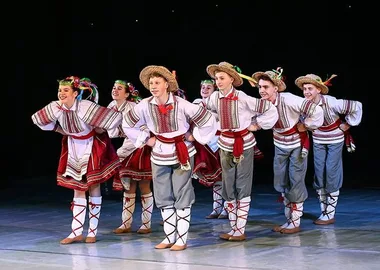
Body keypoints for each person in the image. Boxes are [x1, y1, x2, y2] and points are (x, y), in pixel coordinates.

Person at [123, 65, 217, 251]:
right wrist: (146, 139)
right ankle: (168, 237)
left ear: (167, 84)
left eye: (157, 82)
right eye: (151, 83)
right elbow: (127, 122)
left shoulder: (181, 104)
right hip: (159, 152)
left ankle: (181, 239)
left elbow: (207, 119)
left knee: (181, 192)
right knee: (163, 194)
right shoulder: (145, 105)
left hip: (182, 151)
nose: (153, 86)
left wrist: (194, 136)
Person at [31, 76, 122, 244]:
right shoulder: (56, 107)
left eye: (66, 90)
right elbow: (38, 120)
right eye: (60, 90)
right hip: (73, 146)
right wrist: (60, 129)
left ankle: (92, 232)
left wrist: (100, 128)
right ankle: (76, 232)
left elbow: (113, 119)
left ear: (75, 93)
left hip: (91, 146)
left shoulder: (85, 107)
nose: (61, 93)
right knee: (78, 188)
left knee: (93, 186)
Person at [205, 62, 279, 241]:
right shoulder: (214, 97)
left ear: (232, 79)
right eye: (217, 78)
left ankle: (240, 229)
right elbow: (210, 113)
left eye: (222, 78)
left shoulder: (243, 97)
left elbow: (268, 108)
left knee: (242, 184)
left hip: (243, 144)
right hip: (225, 143)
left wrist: (258, 125)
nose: (219, 81)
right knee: (228, 184)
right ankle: (234, 228)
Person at [249, 67, 324, 234]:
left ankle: (295, 223)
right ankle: (288, 219)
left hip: (297, 145)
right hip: (280, 145)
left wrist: (306, 125)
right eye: (260, 87)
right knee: (281, 181)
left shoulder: (289, 100)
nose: (262, 90)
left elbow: (317, 111)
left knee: (295, 180)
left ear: (275, 87)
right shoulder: (263, 104)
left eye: (265, 87)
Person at [295, 73, 362, 225]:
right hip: (318, 139)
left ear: (319, 89)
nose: (306, 92)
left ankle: (329, 213)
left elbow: (357, 106)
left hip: (335, 139)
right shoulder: (305, 103)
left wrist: (348, 124)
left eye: (310, 88)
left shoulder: (331, 102)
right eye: (304, 89)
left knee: (331, 171)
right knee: (319, 172)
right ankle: (324, 211)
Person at [106, 80, 154, 234]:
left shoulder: (133, 108)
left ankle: (146, 224)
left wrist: (120, 154)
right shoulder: (111, 107)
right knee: (128, 185)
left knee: (143, 185)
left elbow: (142, 129)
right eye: (114, 88)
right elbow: (112, 132)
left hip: (141, 146)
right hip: (127, 146)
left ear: (127, 94)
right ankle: (126, 223)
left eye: (119, 88)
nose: (115, 90)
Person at [193, 79, 227, 219]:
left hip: (220, 141)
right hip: (205, 143)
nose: (205, 90)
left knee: (225, 175)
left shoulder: (220, 102)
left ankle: (227, 208)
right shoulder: (196, 103)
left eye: (209, 87)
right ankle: (216, 208)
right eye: (203, 87)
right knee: (216, 177)